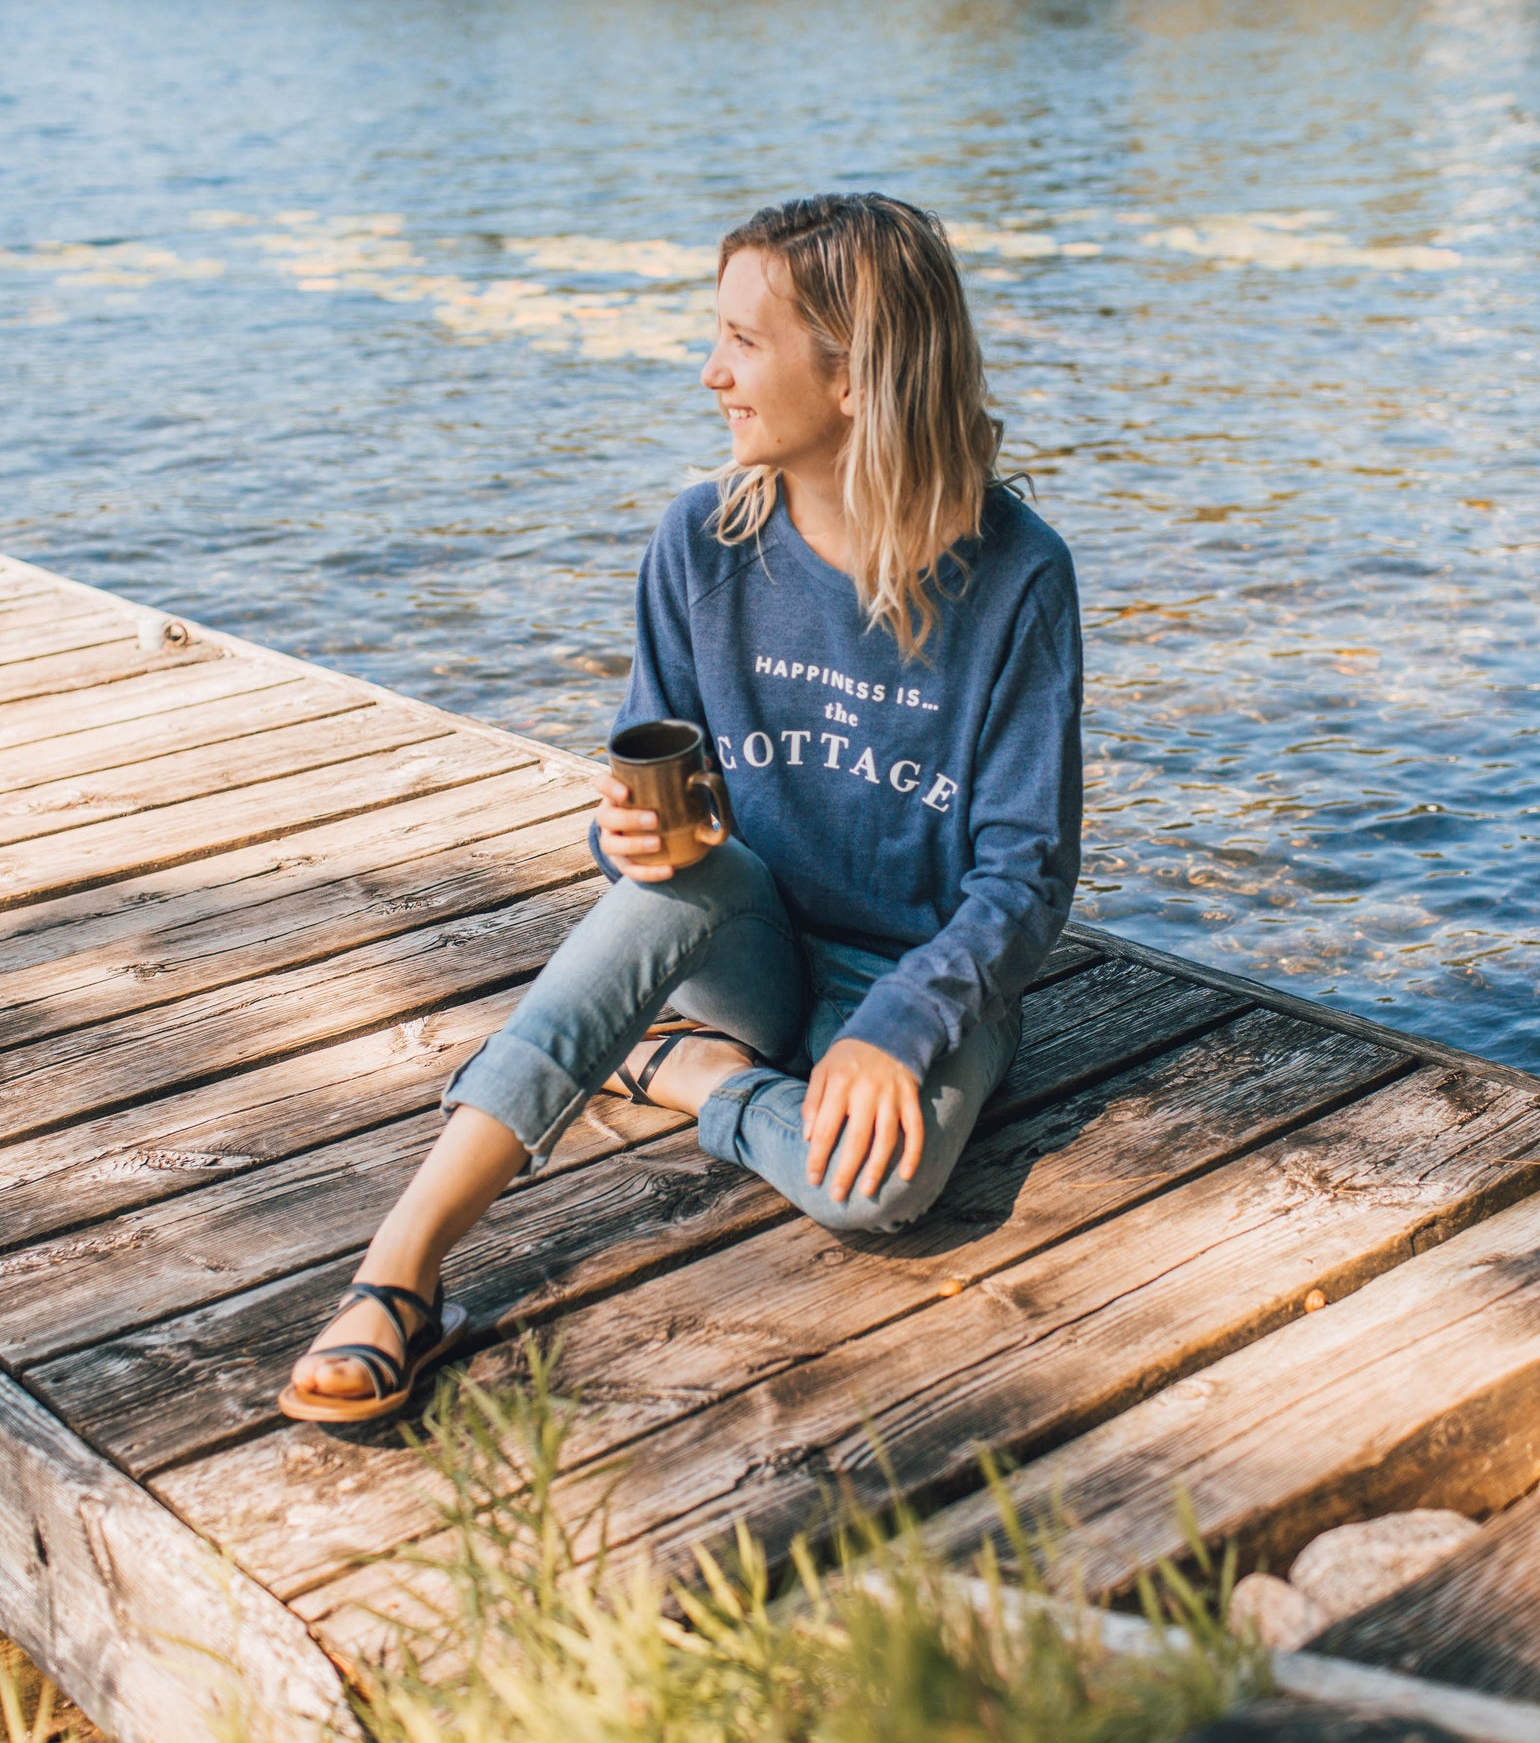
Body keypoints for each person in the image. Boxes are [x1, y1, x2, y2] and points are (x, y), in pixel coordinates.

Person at [280, 192, 1083, 1423]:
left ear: (858, 375)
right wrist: (631, 837)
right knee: (661, 893)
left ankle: (690, 1076)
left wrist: (903, 1019)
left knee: (882, 1190)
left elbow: (1024, 875)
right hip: (743, 935)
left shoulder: (1018, 575)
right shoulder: (700, 544)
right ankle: (401, 1270)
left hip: (915, 970)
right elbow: (658, 814)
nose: (711, 372)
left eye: (743, 342)